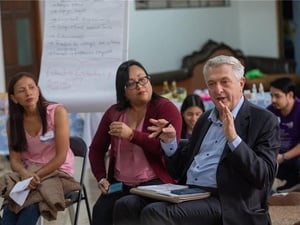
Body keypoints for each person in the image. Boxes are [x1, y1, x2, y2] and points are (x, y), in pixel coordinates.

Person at [113, 55, 280, 225]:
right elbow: (179, 171)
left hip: (227, 200)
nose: (218, 90)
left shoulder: (264, 120)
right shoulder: (205, 118)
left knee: (156, 213)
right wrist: (170, 142)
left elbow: (264, 177)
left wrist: (233, 139)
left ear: (241, 83)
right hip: (189, 191)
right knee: (127, 204)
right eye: (212, 84)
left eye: (225, 82)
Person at [88, 59, 182, 225]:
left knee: (126, 206)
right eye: (131, 83)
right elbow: (96, 149)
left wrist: (132, 135)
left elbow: (164, 149)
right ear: (123, 90)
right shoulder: (114, 113)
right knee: (101, 210)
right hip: (120, 184)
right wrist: (102, 178)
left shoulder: (165, 108)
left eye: (142, 79)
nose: (140, 86)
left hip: (154, 182)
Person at [0, 72, 79, 225]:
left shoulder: (57, 112)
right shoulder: (14, 123)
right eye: (21, 90)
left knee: (30, 206)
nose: (28, 92)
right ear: (14, 98)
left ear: (38, 90)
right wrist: (25, 173)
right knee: (11, 206)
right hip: (29, 174)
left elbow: (61, 156)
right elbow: (15, 160)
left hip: (58, 172)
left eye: (32, 87)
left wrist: (35, 176)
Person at [267, 77, 300, 191]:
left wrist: (283, 157)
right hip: (277, 155)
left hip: (294, 155)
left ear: (290, 95)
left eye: (277, 96)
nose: (273, 100)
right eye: (271, 96)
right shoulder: (270, 111)